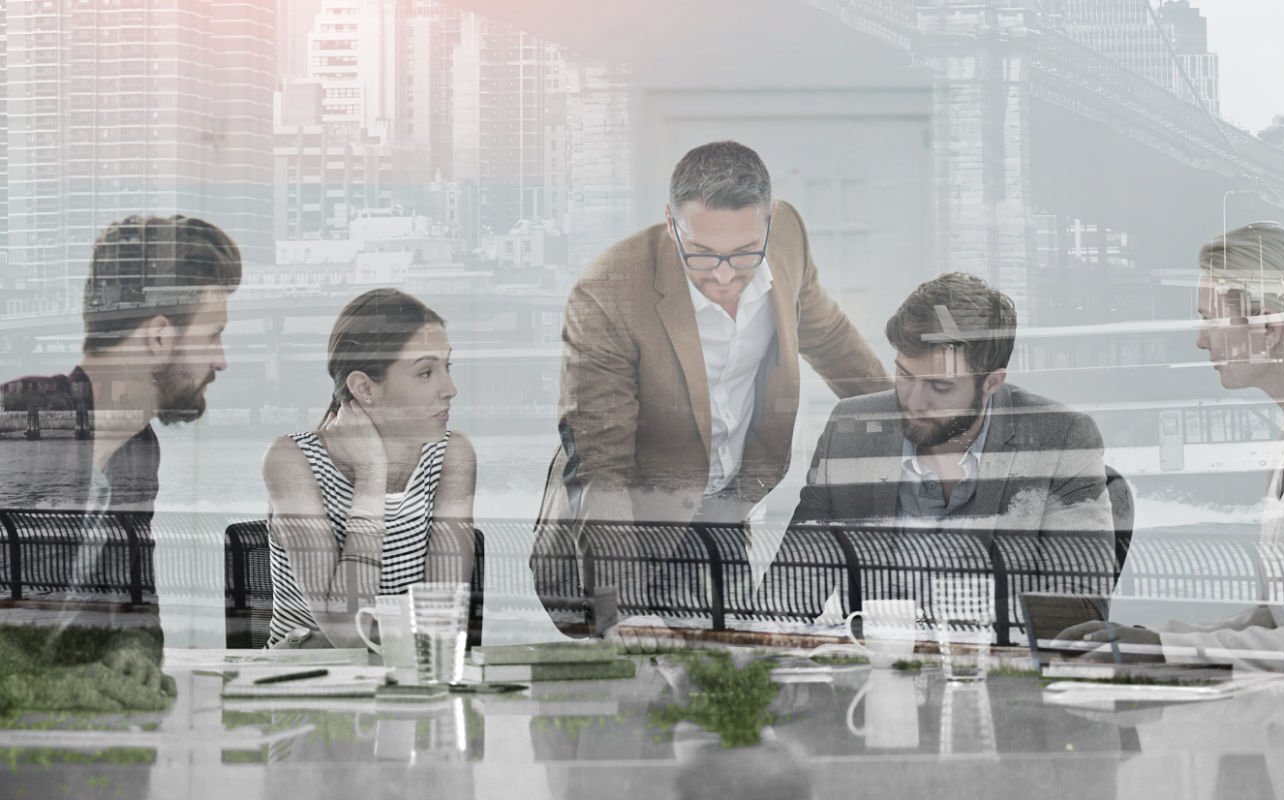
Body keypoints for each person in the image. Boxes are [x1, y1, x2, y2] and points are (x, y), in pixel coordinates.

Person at [1060, 222, 1284, 674]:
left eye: (1210, 316)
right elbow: (1278, 620)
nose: (1200, 338)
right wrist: (1157, 639)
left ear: (1269, 328)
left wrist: (1165, 649)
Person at [541, 142, 885, 530]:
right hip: (636, 523)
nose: (724, 277)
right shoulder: (607, 295)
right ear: (671, 224)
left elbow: (832, 340)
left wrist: (910, 432)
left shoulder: (788, 237)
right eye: (702, 253)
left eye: (745, 253)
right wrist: (616, 585)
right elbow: (603, 472)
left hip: (731, 512)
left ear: (770, 221)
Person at [0, 213, 241, 711]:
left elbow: (136, 605)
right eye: (213, 335)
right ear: (158, 337)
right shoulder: (23, 421)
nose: (221, 360)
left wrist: (132, 649)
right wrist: (48, 687)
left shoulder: (137, 449)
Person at [787, 271, 1113, 560]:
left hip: (1000, 630)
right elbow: (793, 581)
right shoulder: (851, 429)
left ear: (991, 383)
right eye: (905, 376)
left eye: (940, 387)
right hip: (880, 629)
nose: (914, 401)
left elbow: (1076, 599)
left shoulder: (1061, 437)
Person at [263, 287, 476, 647]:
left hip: (403, 677)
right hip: (307, 685)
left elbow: (440, 624)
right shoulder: (291, 461)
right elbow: (349, 635)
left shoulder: (451, 455)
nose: (450, 388)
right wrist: (372, 478)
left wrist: (374, 640)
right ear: (364, 387)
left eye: (447, 366)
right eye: (425, 373)